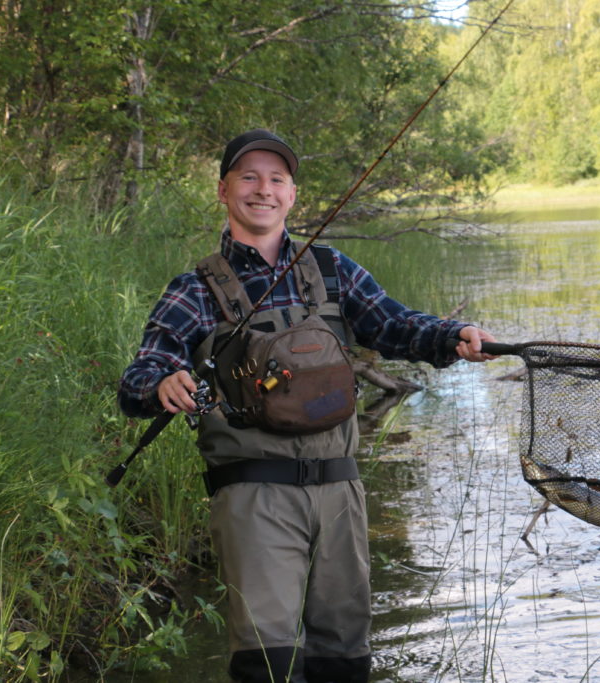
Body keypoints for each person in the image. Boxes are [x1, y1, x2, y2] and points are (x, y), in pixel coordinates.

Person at [118, 128, 496, 683]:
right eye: (248, 177)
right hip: (254, 494)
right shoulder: (194, 288)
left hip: (340, 491)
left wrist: (452, 334)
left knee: (343, 655)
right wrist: (162, 384)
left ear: (293, 195)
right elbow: (138, 379)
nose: (262, 190)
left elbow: (393, 323)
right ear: (223, 190)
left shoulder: (332, 269)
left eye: (276, 179)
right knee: (267, 663)